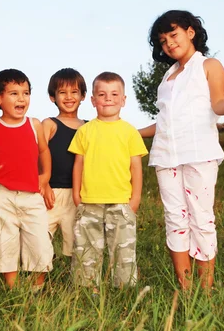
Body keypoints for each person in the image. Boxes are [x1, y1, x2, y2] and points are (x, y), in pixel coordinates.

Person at [139, 10, 224, 290]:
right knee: (174, 218)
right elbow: (163, 122)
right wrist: (127, 133)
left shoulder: (208, 65)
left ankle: (204, 292)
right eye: (162, 41)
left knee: (201, 218)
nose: (169, 43)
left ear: (190, 32)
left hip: (198, 154)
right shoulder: (167, 78)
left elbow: (217, 104)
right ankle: (186, 288)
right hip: (165, 155)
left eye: (173, 35)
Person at [69, 72, 148, 291]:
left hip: (121, 201)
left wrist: (136, 198)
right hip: (89, 201)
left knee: (123, 249)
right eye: (102, 94)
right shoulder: (84, 131)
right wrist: (77, 195)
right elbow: (78, 164)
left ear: (123, 99)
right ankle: (86, 288)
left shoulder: (130, 132)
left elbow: (136, 167)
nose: (108, 98)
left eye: (114, 94)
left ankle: (124, 289)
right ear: (93, 100)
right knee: (86, 248)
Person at [0, 69, 54, 290]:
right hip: (0, 194)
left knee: (39, 242)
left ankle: (36, 288)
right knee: (4, 241)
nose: (21, 98)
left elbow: (44, 152)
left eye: (25, 93)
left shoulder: (34, 125)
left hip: (32, 195)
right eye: (14, 93)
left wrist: (45, 177)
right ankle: (13, 288)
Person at [42, 68, 87, 259]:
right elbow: (38, 154)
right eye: (62, 92)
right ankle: (38, 282)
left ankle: (74, 284)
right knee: (40, 238)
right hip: (50, 192)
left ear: (83, 95)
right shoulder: (49, 124)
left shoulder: (88, 126)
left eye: (74, 92)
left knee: (75, 242)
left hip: (78, 194)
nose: (69, 97)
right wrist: (43, 185)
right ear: (53, 97)